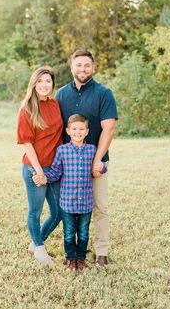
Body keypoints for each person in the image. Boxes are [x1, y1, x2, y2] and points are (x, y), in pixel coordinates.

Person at [55, 50, 118, 267]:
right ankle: (72, 252)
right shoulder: (61, 95)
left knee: (100, 207)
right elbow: (55, 129)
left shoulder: (103, 93)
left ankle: (101, 251)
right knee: (67, 209)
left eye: (87, 65)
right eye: (78, 65)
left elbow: (108, 128)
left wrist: (97, 160)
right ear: (72, 67)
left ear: (93, 67)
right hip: (69, 166)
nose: (82, 69)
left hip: (96, 162)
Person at [33, 114, 107, 271]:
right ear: (68, 131)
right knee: (68, 233)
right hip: (67, 201)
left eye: (81, 129)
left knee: (83, 233)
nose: (77, 132)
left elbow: (98, 168)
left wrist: (102, 167)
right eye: (74, 129)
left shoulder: (92, 150)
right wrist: (44, 178)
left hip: (86, 201)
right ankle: (70, 259)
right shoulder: (62, 151)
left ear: (87, 131)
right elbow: (55, 172)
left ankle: (80, 259)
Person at [17, 67, 63, 266]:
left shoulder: (55, 104)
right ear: (33, 84)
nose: (44, 85)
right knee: (35, 211)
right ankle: (39, 249)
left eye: (48, 81)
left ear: (52, 84)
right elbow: (27, 143)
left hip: (54, 168)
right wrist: (38, 171)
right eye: (40, 81)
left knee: (59, 212)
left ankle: (35, 242)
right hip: (35, 168)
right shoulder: (27, 109)